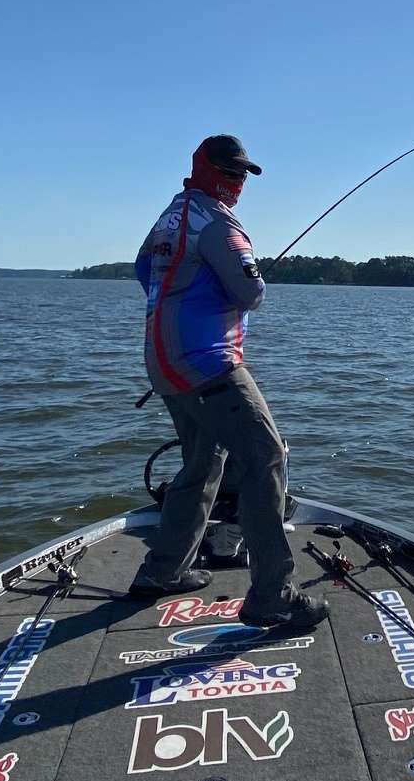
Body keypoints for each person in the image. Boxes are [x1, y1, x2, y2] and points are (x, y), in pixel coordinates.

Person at [127, 134, 329, 629]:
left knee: (203, 461)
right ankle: (273, 595)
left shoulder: (171, 214)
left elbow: (142, 270)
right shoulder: (219, 223)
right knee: (265, 457)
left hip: (163, 361)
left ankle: (164, 570)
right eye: (231, 172)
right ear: (207, 168)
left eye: (242, 174)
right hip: (208, 363)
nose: (237, 181)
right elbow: (250, 291)